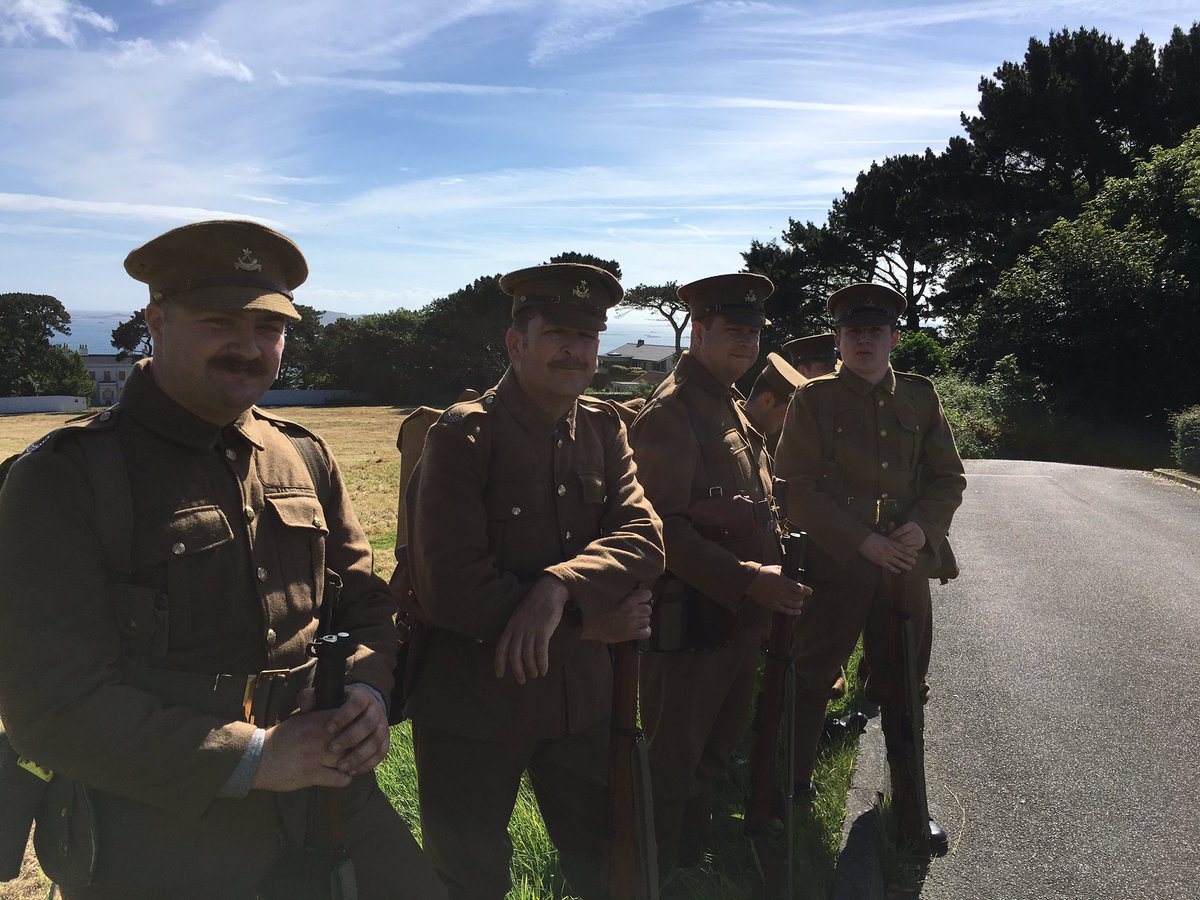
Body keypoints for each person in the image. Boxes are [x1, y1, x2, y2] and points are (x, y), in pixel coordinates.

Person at [0, 220, 446, 899]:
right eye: (219, 322)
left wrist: (367, 691)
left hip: (328, 803)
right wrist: (257, 758)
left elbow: (365, 607)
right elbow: (49, 705)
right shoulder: (67, 476)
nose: (249, 347)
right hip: (159, 829)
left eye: (269, 328)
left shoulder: (303, 455)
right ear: (156, 321)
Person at [402, 262, 665, 900]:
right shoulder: (465, 436)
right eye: (558, 334)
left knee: (609, 862)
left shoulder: (604, 430)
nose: (575, 350)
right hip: (475, 703)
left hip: (579, 704)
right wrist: (587, 621)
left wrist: (560, 587)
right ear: (516, 343)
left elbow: (646, 538)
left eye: (589, 337)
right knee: (468, 876)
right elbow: (453, 588)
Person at [627, 273, 810, 879]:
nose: (747, 342)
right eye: (734, 331)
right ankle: (652, 872)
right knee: (672, 761)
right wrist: (749, 577)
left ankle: (690, 859)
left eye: (755, 332)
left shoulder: (728, 403)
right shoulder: (674, 414)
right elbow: (657, 530)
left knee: (714, 752)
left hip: (733, 620)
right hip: (690, 625)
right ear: (698, 331)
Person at [774, 283, 965, 855]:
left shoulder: (920, 396)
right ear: (837, 339)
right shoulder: (812, 400)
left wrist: (923, 528)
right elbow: (794, 489)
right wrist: (861, 541)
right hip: (836, 569)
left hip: (905, 568)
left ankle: (911, 804)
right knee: (810, 679)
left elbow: (947, 479)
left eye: (874, 332)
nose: (863, 341)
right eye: (852, 332)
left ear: (893, 339)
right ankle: (791, 791)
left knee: (905, 685)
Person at [742, 350, 806, 453]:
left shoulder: (757, 437)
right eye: (786, 414)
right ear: (768, 400)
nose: (786, 422)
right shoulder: (732, 434)